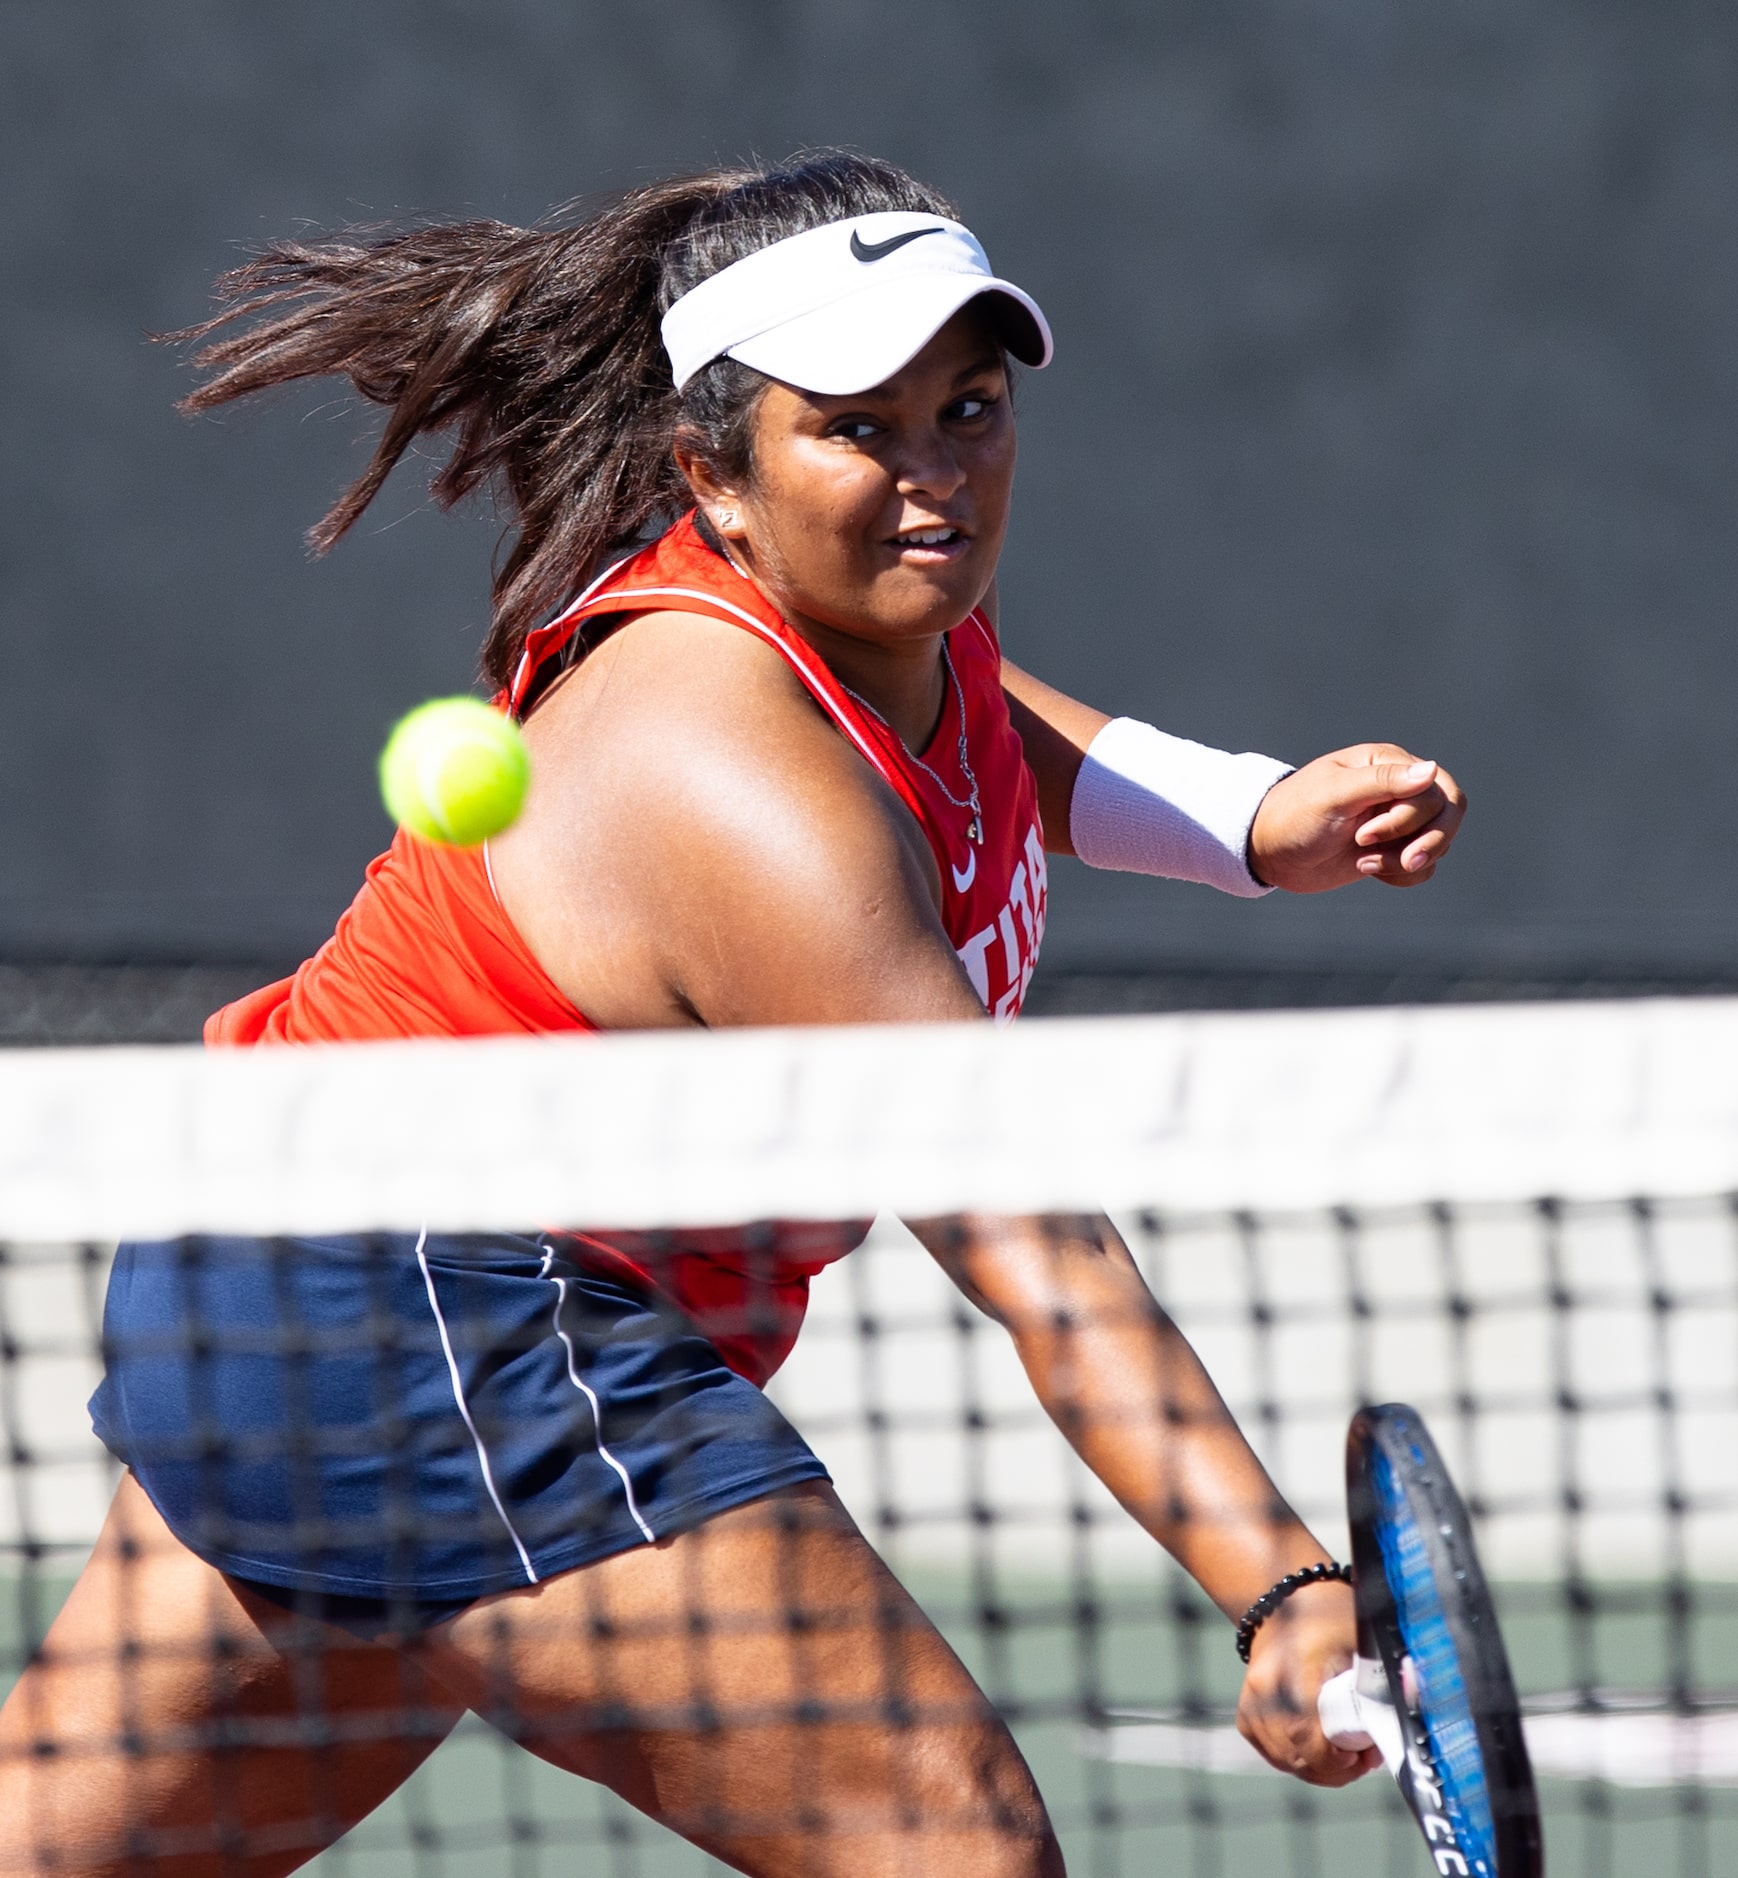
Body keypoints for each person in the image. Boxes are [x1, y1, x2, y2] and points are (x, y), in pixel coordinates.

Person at [0, 154, 1465, 1876]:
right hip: (458, 1313)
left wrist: (1238, 819)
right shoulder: (734, 784)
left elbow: (994, 730)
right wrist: (1280, 1586)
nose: (935, 477)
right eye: (859, 426)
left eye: (969, 406)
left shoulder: (876, 622)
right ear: (716, 474)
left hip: (280, 1271)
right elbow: (1038, 1256)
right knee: (954, 1852)